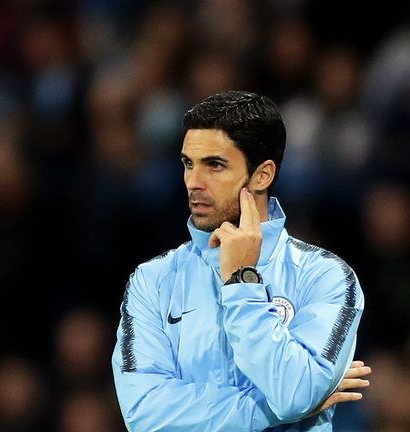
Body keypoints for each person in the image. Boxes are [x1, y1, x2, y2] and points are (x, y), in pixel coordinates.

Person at [111, 91, 369, 431]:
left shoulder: (327, 277)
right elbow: (145, 415)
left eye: (214, 165)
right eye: (188, 163)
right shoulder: (152, 281)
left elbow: (294, 394)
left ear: (262, 175)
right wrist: (278, 410)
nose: (193, 182)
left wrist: (240, 280)